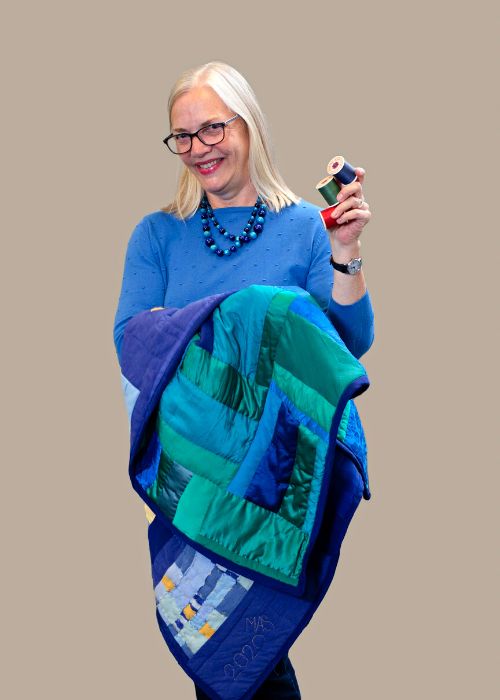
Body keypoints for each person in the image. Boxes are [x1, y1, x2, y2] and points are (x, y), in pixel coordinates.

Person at [113, 61, 374, 699]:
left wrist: (343, 253)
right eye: (183, 136)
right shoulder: (158, 235)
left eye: (212, 129)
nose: (199, 149)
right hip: (194, 473)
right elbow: (132, 342)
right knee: (232, 658)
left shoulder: (306, 228)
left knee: (248, 658)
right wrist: (250, 315)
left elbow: (344, 345)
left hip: (276, 480)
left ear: (248, 126)